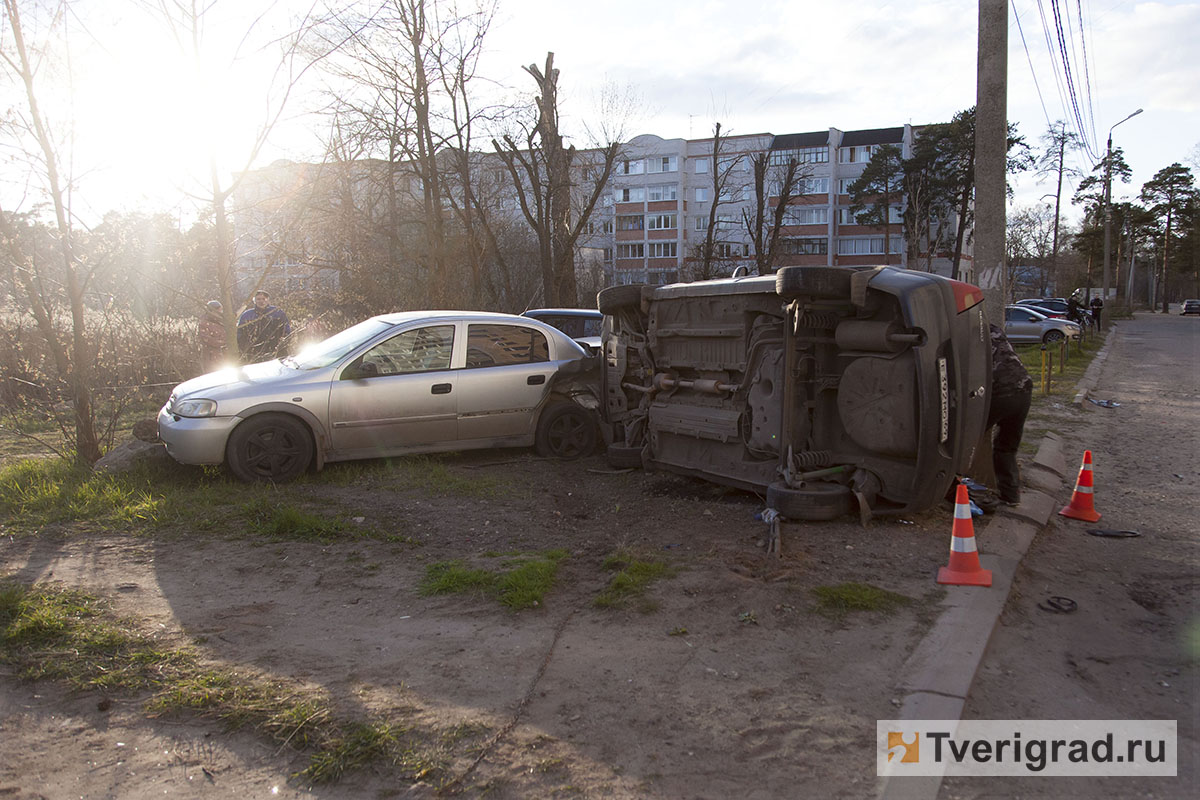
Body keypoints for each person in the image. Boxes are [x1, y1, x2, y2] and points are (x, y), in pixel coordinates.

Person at [987, 323, 1033, 505]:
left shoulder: (965, 331)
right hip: (1024, 388)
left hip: (1001, 392)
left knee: (964, 439)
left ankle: (956, 487)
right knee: (1006, 446)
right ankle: (1010, 495)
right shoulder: (993, 328)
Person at [237, 290, 291, 363]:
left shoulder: (277, 312)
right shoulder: (247, 315)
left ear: (268, 300)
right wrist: (245, 348)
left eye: (264, 299)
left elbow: (286, 329)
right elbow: (240, 334)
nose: (261, 301)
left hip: (276, 348)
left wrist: (283, 343)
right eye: (258, 299)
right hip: (255, 351)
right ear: (254, 301)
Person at [198, 300, 226, 372]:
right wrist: (224, 342)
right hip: (211, 357)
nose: (220, 312)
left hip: (225, 356)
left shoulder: (222, 321)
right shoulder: (204, 323)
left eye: (221, 310)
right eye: (218, 310)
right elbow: (208, 340)